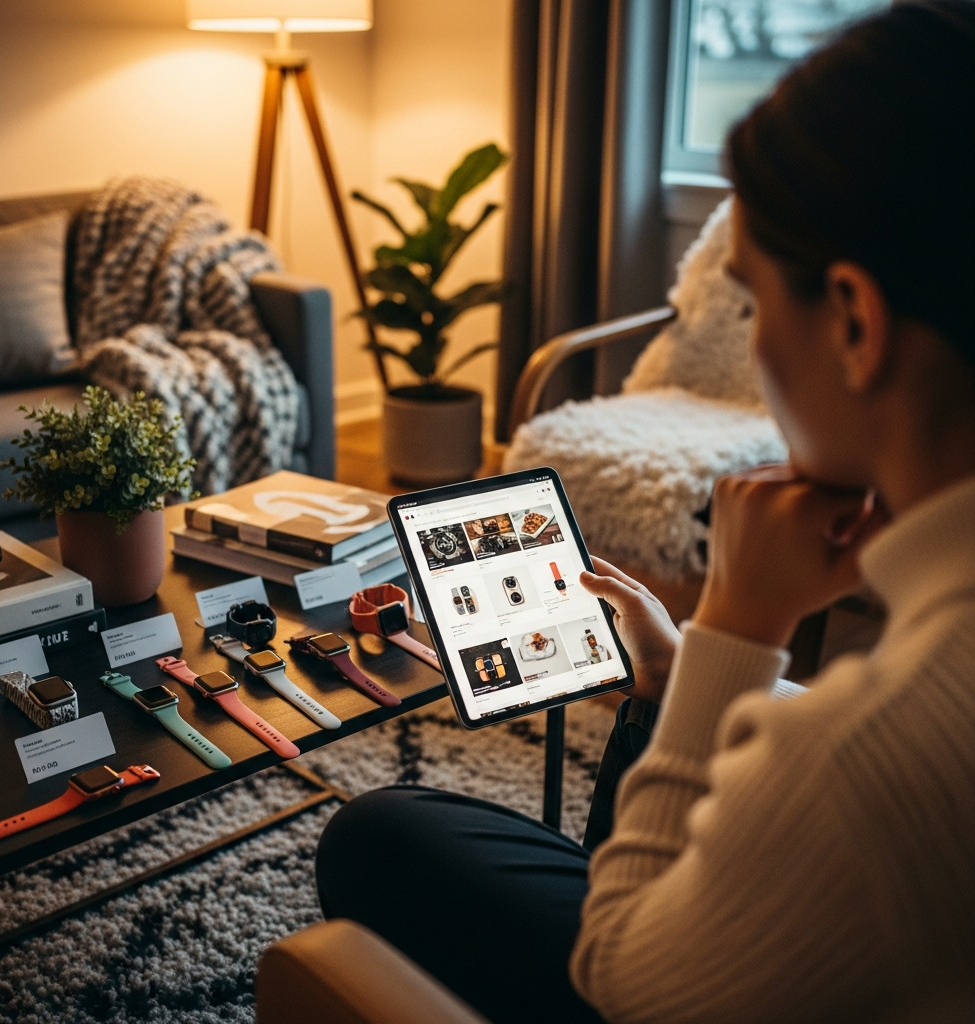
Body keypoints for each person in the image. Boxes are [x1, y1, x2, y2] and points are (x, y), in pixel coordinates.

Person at [314, 2, 975, 1021]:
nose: (752, 349)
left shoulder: (863, 766)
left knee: (377, 833)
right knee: (628, 721)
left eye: (752, 305)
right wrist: (690, 669)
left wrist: (737, 625)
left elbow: (619, 978)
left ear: (853, 321)